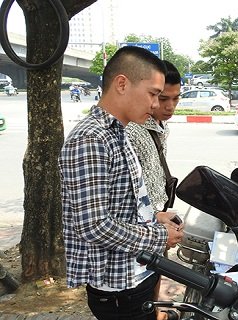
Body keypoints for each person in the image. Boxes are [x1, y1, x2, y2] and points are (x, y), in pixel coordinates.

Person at [58, 46, 184, 320]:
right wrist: (159, 235)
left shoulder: (118, 131)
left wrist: (154, 217)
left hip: (137, 272)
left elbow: (121, 203)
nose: (155, 104)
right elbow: (94, 226)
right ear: (122, 84)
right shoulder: (91, 139)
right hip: (119, 285)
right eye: (152, 93)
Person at [126, 60, 182, 320]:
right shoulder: (131, 129)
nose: (169, 106)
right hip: (138, 222)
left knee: (156, 270)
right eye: (161, 98)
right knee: (141, 278)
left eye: (176, 98)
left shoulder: (161, 126)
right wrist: (152, 220)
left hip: (158, 214)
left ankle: (155, 310)